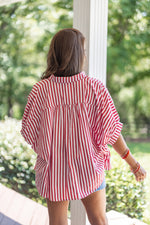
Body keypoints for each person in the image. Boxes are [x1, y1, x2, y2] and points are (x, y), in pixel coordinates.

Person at [20, 28, 147, 225]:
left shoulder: (40, 90)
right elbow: (112, 132)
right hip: (90, 168)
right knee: (99, 220)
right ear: (77, 55)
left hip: (55, 172)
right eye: (84, 51)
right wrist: (133, 163)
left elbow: (29, 132)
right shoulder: (94, 88)